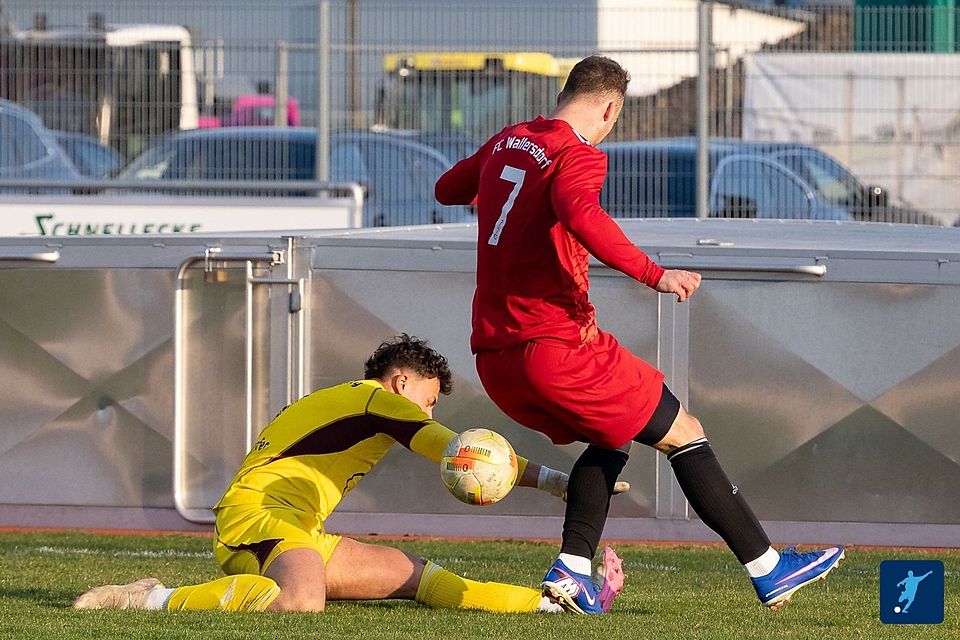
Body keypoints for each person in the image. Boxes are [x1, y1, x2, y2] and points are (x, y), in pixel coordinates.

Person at [435, 55, 844, 614]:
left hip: (495, 359)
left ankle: (574, 571)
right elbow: (581, 213)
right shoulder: (576, 155)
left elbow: (446, 188)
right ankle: (769, 567)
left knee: (612, 436)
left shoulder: (510, 140)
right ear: (608, 108)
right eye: (614, 119)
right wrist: (657, 273)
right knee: (683, 430)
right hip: (557, 345)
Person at [73, 334, 624, 614]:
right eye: (428, 400)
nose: (427, 413)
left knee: (421, 580)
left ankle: (557, 605)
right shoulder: (371, 399)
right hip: (258, 514)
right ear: (401, 383)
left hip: (298, 531)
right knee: (302, 601)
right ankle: (149, 599)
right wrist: (556, 481)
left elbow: (459, 451)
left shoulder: (366, 409)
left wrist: (558, 492)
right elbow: (458, 451)